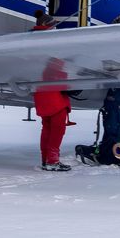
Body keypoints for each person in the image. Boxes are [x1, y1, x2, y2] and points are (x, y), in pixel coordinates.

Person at [31, 11, 72, 171]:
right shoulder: (50, 43)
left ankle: (45, 159)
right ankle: (52, 161)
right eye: (53, 26)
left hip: (40, 92)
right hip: (54, 93)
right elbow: (55, 69)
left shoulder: (32, 41)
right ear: (48, 26)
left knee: (47, 128)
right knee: (57, 129)